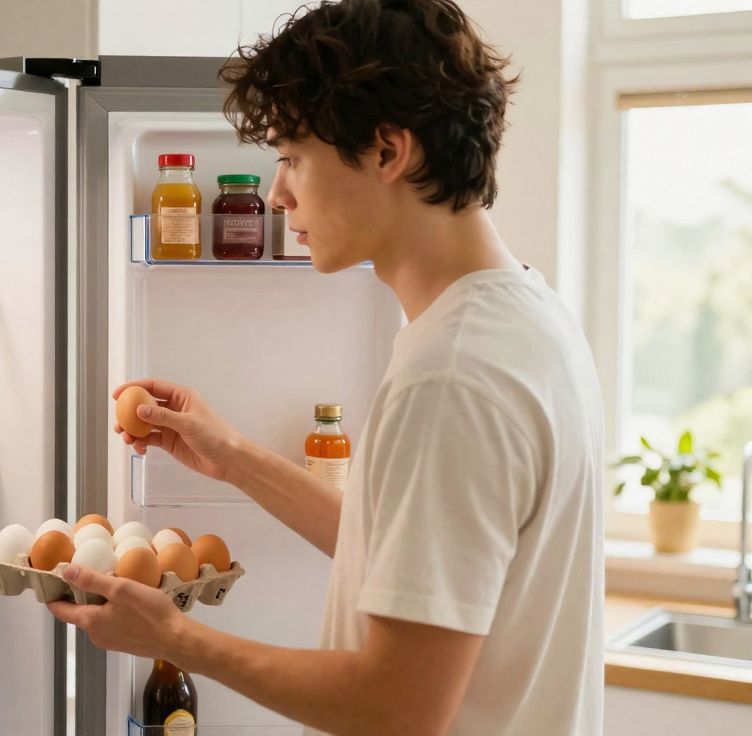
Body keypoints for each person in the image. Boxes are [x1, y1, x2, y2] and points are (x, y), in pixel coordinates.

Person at [46, 1, 606, 734]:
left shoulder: (453, 376)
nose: (278, 193)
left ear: (386, 151)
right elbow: (412, 553)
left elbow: (397, 707)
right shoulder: (522, 315)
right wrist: (235, 458)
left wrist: (177, 639)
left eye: (292, 157)